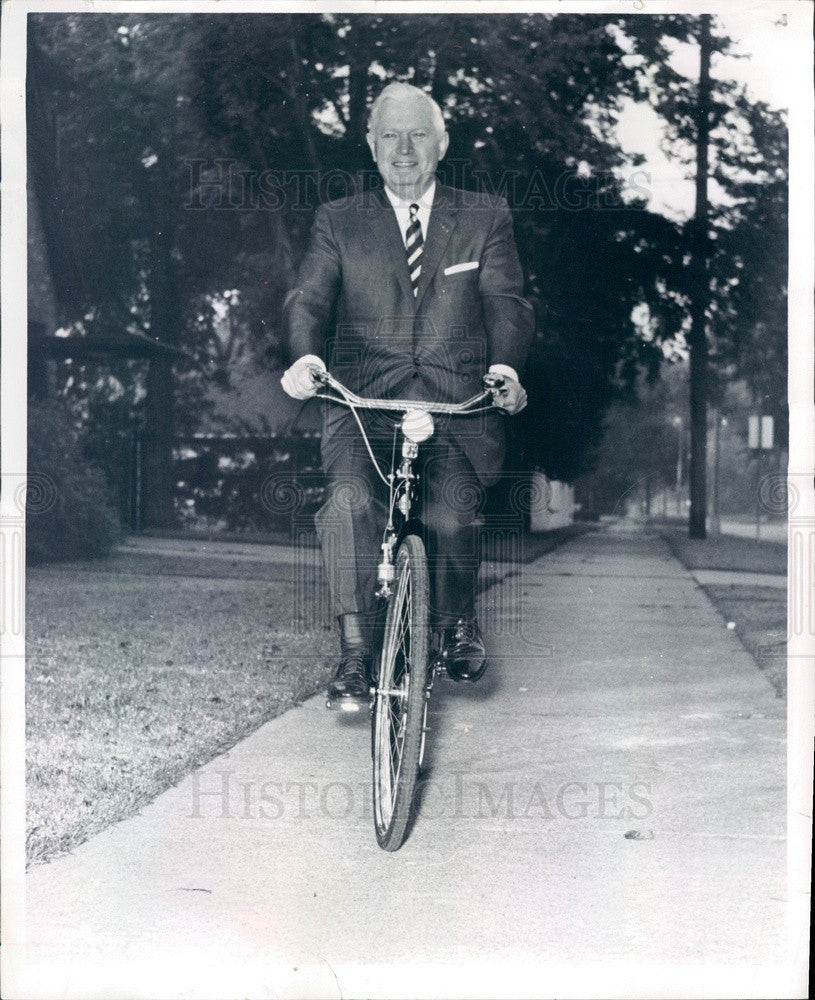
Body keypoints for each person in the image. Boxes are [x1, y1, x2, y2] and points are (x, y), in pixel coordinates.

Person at [281, 81, 533, 706]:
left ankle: (454, 625)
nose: (403, 148)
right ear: (370, 146)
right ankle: (355, 654)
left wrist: (505, 369)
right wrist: (307, 357)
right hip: (363, 406)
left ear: (442, 144)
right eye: (389, 134)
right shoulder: (339, 220)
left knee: (451, 513)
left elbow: (507, 305)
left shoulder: (485, 215)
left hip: (455, 405)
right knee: (348, 507)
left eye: (418, 133)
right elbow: (308, 298)